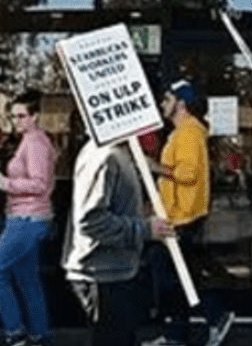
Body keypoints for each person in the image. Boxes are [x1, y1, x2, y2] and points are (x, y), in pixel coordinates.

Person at [62, 128, 173, 346]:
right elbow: (91, 221)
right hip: (102, 274)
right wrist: (144, 229)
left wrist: (141, 215)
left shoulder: (117, 153)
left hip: (113, 271)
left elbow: (109, 208)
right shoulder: (105, 156)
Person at [145, 80, 234, 346]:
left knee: (176, 277)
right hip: (177, 214)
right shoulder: (183, 132)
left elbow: (188, 173)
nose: (162, 104)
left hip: (182, 217)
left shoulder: (188, 133)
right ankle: (177, 333)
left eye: (167, 99)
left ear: (181, 103)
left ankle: (215, 316)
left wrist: (155, 167)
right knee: (175, 276)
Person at [0, 90, 58, 346]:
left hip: (27, 218)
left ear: (35, 116)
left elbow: (39, 184)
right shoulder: (33, 140)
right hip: (29, 217)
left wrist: (2, 182)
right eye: (14, 117)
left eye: (23, 116)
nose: (18, 121)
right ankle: (40, 334)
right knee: (28, 280)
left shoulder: (35, 142)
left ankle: (15, 333)